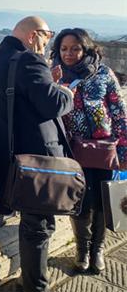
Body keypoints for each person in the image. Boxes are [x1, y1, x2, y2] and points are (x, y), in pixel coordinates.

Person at [0, 16, 74, 292]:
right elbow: (54, 105)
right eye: (48, 36)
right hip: (35, 161)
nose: (49, 43)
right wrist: (66, 92)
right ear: (34, 35)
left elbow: (22, 102)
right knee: (39, 227)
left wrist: (48, 82)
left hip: (7, 159)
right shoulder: (29, 61)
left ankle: (30, 282)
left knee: (31, 224)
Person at [50, 28, 127, 274]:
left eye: (75, 48)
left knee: (103, 201)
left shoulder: (103, 74)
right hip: (72, 151)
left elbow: (119, 113)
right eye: (64, 49)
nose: (69, 53)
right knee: (80, 201)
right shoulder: (55, 76)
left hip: (104, 150)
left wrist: (124, 152)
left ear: (86, 49)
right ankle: (82, 250)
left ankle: (98, 249)